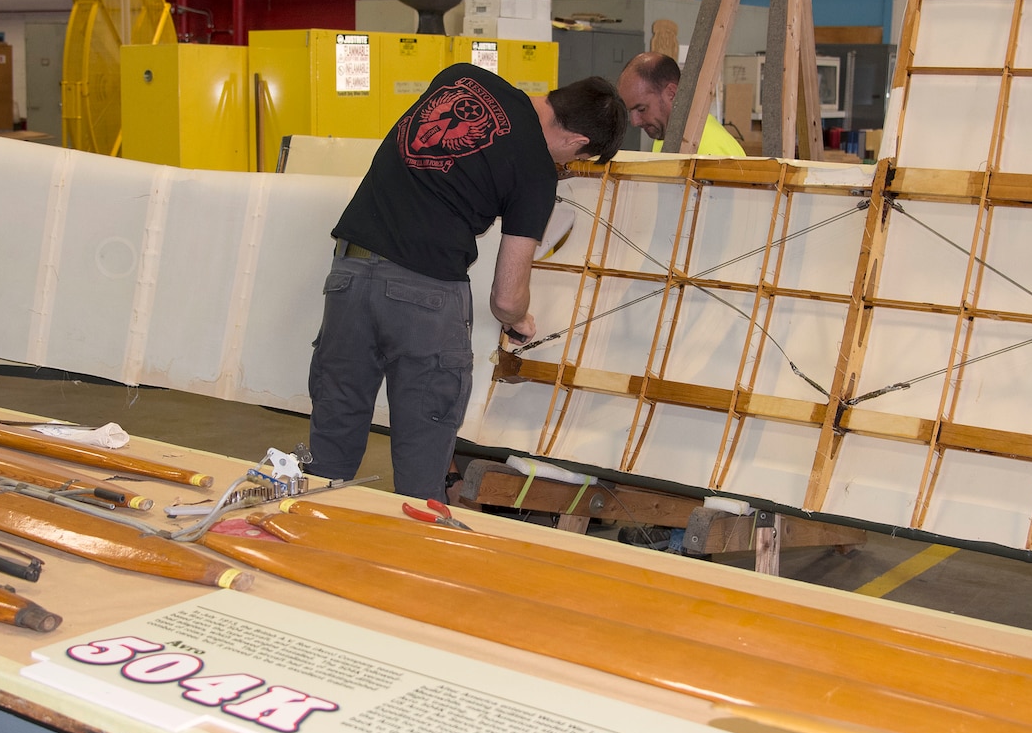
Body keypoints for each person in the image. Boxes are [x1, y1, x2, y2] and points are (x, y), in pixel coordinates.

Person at [308, 64, 626, 501]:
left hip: (349, 277)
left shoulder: (461, 78)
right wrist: (521, 321)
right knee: (423, 448)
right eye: (576, 158)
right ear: (577, 141)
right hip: (425, 296)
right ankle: (418, 550)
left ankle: (305, 528)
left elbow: (462, 157)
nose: (567, 164)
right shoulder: (536, 172)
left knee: (331, 434)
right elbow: (506, 296)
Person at [617, 51, 745, 156]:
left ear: (671, 93)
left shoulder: (713, 149)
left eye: (641, 109)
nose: (634, 122)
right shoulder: (664, 138)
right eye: (630, 111)